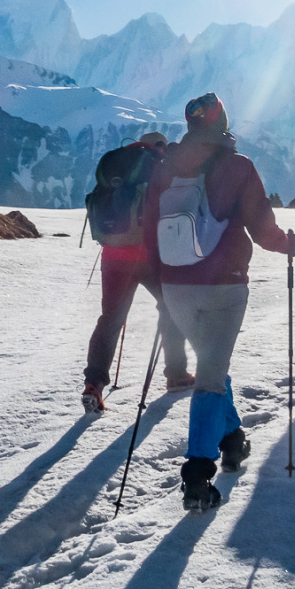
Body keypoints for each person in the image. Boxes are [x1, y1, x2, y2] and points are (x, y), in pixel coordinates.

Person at [143, 92, 295, 512]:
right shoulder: (238, 166)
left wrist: (159, 278)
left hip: (175, 286)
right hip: (224, 287)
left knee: (214, 364)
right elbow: (264, 229)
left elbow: (147, 226)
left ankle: (232, 441)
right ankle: (197, 475)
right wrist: (289, 244)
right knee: (211, 377)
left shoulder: (165, 167)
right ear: (223, 122)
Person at [81, 132, 190, 412]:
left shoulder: (114, 164)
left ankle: (94, 384)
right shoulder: (157, 165)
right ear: (160, 147)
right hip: (149, 253)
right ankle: (176, 374)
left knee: (111, 318)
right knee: (171, 307)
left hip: (114, 254)